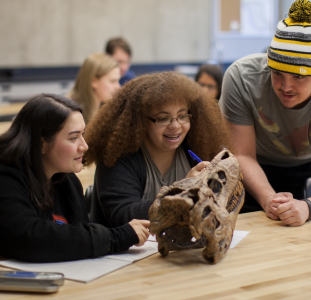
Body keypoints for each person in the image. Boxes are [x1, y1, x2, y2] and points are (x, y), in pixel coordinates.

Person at [0, 93, 150, 262]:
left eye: (83, 135)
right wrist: (115, 237)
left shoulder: (66, 181)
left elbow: (76, 237)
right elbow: (32, 240)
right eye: (73, 137)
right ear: (41, 144)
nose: (84, 146)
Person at [219, 0, 311, 227]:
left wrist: (308, 207)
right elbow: (242, 154)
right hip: (254, 171)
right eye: (277, 74)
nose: (285, 87)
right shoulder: (241, 78)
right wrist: (268, 198)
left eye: (299, 77)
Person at [83, 72, 232, 227]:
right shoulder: (118, 156)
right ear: (139, 121)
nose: (175, 126)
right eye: (162, 119)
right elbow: (123, 215)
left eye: (182, 116)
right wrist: (183, 193)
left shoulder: (198, 147)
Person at [68, 53, 121, 124]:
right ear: (94, 81)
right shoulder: (69, 112)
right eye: (113, 81)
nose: (118, 87)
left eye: (118, 81)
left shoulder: (105, 110)